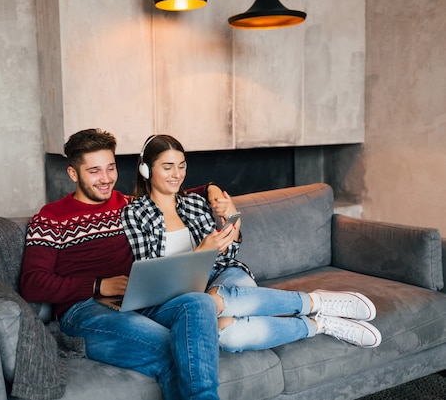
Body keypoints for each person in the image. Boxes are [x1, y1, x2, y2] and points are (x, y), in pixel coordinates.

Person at [121, 134, 382, 352]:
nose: (177, 174)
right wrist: (200, 253)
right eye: (168, 167)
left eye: (181, 165)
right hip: (182, 294)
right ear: (146, 169)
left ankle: (315, 304)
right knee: (228, 336)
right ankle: (319, 322)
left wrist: (234, 224)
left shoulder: (195, 203)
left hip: (223, 274)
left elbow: (228, 254)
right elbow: (153, 276)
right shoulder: (135, 213)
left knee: (218, 301)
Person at [20, 128, 223, 400]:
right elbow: (32, 283)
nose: (106, 179)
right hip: (85, 311)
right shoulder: (50, 219)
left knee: (200, 303)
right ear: (73, 174)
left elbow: (171, 193)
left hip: (141, 301)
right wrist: (98, 285)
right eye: (94, 171)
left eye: (111, 168)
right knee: (174, 348)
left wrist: (211, 189)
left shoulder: (130, 205)